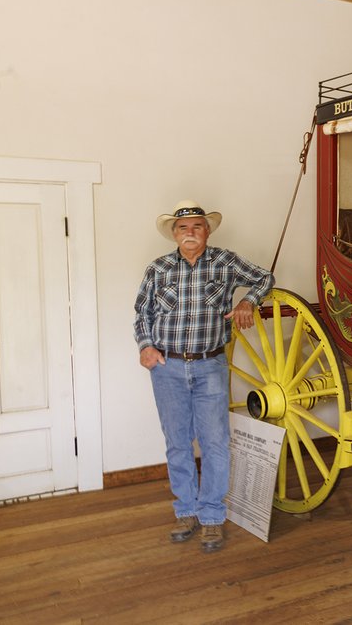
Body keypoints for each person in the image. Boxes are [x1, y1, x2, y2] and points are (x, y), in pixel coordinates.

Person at [133, 199, 274, 553]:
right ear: (174, 234)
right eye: (183, 228)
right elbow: (141, 313)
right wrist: (146, 346)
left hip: (210, 365)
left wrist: (248, 302)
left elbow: (265, 277)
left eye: (197, 226)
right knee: (177, 441)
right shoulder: (158, 269)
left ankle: (211, 516)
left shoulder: (225, 262)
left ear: (207, 231)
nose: (190, 233)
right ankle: (186, 510)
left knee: (214, 442)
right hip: (167, 368)